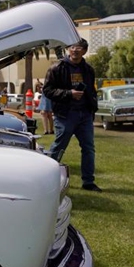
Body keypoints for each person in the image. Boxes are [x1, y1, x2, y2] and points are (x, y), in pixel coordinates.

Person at [43, 38, 101, 192]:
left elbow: (91, 91)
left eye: (79, 47)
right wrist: (69, 94)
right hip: (65, 115)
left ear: (84, 51)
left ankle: (88, 182)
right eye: (73, 46)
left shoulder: (88, 70)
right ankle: (44, 179)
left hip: (85, 115)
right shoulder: (56, 68)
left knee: (89, 148)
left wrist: (92, 107)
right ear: (68, 49)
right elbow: (47, 90)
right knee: (59, 147)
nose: (75, 50)